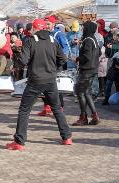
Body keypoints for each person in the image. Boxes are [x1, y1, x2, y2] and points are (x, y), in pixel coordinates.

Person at [6, 18, 72, 150]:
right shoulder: (53, 40)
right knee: (57, 109)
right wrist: (55, 69)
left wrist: (16, 63)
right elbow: (63, 59)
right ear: (45, 28)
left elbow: (23, 61)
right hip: (51, 80)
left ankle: (19, 142)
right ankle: (67, 137)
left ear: (34, 29)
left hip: (35, 81)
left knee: (24, 110)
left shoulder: (30, 41)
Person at [72, 21, 101, 126]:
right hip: (93, 69)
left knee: (80, 93)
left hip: (87, 70)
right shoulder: (94, 39)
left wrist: (78, 58)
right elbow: (99, 53)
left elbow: (87, 56)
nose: (82, 29)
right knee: (87, 93)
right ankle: (94, 116)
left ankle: (83, 117)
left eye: (83, 27)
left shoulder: (88, 40)